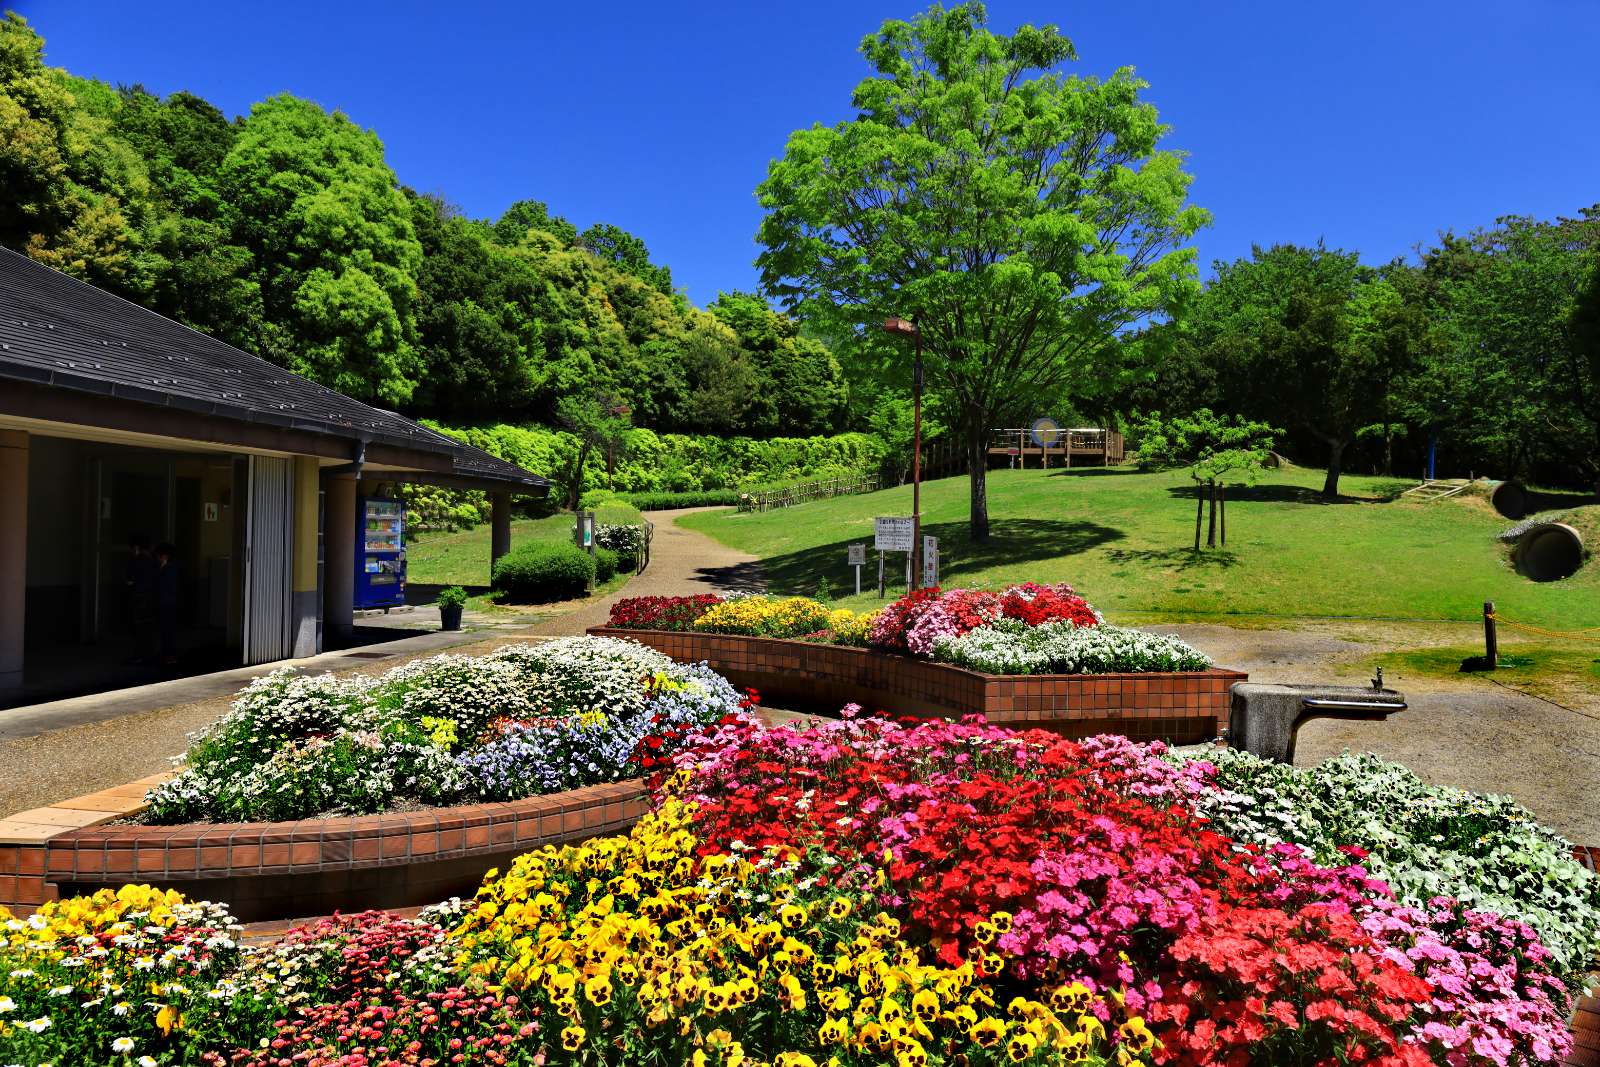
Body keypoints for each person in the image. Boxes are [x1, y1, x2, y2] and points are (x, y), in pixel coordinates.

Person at [125, 534, 158, 663]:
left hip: (139, 597)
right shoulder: (153, 560)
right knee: (148, 627)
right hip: (151, 597)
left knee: (138, 628)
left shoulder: (136, 561)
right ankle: (149, 654)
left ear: (136, 547)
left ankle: (139, 655)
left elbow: (129, 580)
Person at [154, 542, 180, 665]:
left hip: (167, 602)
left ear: (164, 556)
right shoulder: (172, 568)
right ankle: (168, 653)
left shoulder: (169, 569)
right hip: (169, 602)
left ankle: (169, 655)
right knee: (167, 629)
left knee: (167, 630)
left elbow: (162, 585)